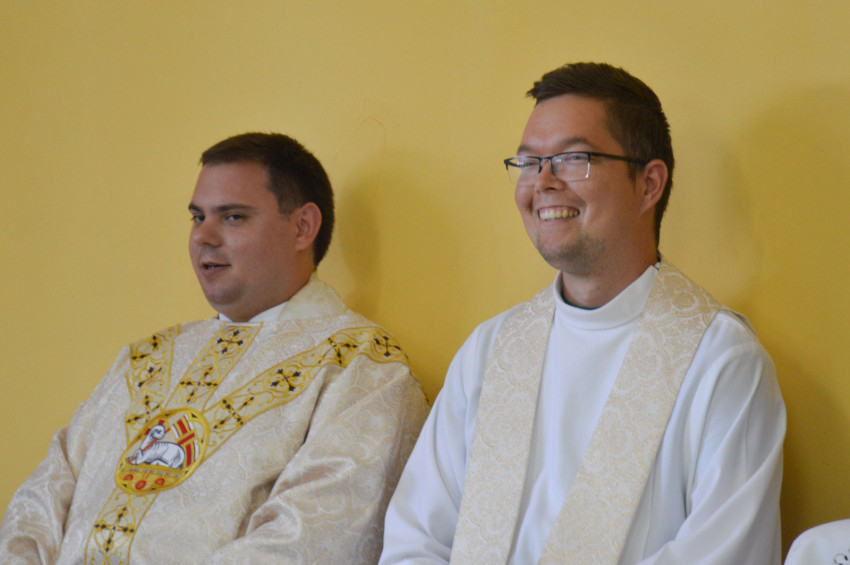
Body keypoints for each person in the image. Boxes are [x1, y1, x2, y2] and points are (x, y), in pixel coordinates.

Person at [379, 62, 785, 564]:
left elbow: (725, 555)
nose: (543, 182)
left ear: (649, 184)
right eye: (529, 162)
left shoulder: (721, 360)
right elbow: (415, 540)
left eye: (573, 158)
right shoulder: (492, 348)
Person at [0, 132, 428, 564]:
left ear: (302, 227)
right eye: (197, 217)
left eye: (233, 217)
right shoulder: (148, 358)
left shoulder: (363, 369)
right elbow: (39, 504)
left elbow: (309, 543)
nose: (203, 236)